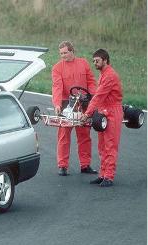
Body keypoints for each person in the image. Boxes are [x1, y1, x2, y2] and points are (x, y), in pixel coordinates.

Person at [52, 41, 97, 176]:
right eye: (61, 53)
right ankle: (62, 166)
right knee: (63, 136)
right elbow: (57, 87)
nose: (63, 56)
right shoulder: (57, 68)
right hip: (67, 105)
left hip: (84, 104)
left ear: (72, 51)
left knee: (84, 136)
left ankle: (85, 165)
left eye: (65, 53)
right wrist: (57, 104)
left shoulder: (83, 63)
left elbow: (91, 82)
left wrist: (94, 98)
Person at [80, 49, 123, 187]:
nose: (95, 63)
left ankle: (109, 177)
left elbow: (98, 96)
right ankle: (102, 174)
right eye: (93, 61)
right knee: (102, 146)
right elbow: (99, 97)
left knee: (110, 145)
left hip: (113, 111)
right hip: (103, 111)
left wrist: (87, 114)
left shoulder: (110, 75)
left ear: (105, 60)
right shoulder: (103, 74)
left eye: (97, 61)